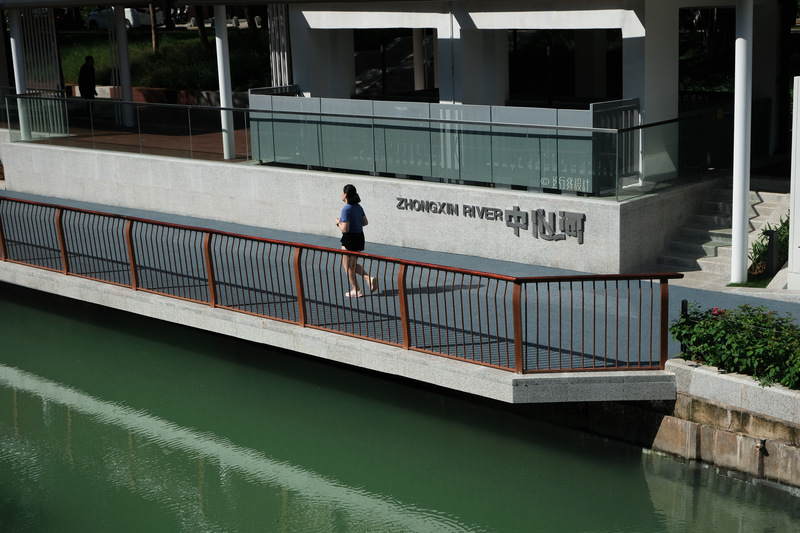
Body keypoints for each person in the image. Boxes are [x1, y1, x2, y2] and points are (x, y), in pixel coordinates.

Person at [335, 184, 378, 298]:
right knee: (353, 264)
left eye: (342, 192)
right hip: (359, 238)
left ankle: (357, 290)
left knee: (347, 266)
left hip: (350, 240)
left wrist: (338, 222)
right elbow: (365, 222)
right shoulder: (359, 207)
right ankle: (368, 278)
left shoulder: (346, 209)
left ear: (345, 194)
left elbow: (345, 229)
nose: (341, 194)